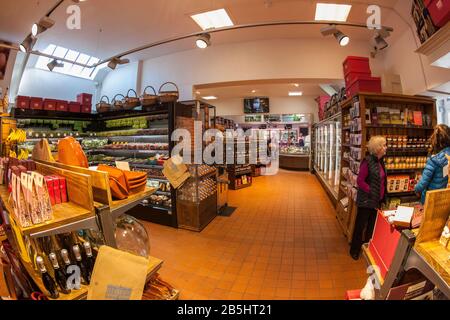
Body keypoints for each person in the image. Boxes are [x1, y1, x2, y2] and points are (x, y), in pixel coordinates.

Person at [350, 136, 388, 260]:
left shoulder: (380, 161)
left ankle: (367, 249)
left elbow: (382, 181)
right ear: (377, 148)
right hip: (366, 201)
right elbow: (360, 181)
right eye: (383, 145)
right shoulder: (367, 161)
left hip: (376, 200)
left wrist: (382, 196)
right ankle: (354, 250)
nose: (385, 147)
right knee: (360, 226)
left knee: (371, 227)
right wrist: (372, 191)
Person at [415, 124, 450, 204]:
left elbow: (422, 184)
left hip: (432, 199)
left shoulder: (434, 160)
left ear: (435, 140)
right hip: (447, 198)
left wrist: (416, 188)